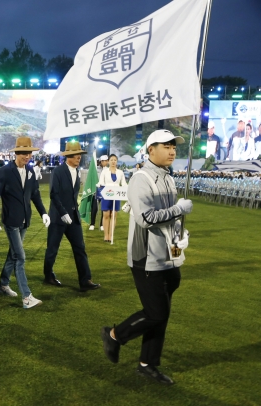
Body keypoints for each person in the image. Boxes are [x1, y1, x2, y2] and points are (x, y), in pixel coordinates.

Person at [100, 129, 192, 385]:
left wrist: (181, 233)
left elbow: (170, 217)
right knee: (157, 314)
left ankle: (147, 363)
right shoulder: (141, 178)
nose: (173, 150)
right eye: (166, 145)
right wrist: (178, 209)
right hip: (146, 255)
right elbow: (145, 217)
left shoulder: (168, 178)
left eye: (174, 146)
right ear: (151, 149)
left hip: (168, 254)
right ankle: (115, 335)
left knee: (162, 313)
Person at [0, 137, 49, 309]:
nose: (27, 156)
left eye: (29, 153)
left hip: (24, 220)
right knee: (20, 257)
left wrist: (43, 213)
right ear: (16, 153)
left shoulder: (30, 171)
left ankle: (3, 284)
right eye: (23, 153)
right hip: (11, 220)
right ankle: (26, 297)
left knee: (13, 255)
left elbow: (35, 195)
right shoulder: (5, 172)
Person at [43, 141, 101, 291]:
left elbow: (72, 196)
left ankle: (85, 279)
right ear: (68, 156)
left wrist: (75, 212)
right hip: (58, 217)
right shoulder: (58, 171)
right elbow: (53, 194)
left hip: (73, 217)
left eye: (80, 155)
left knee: (80, 248)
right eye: (76, 155)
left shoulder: (77, 171)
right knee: (52, 249)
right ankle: (48, 275)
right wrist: (63, 213)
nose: (79, 158)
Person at [99, 154, 126, 242]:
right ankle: (106, 235)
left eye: (115, 160)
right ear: (108, 161)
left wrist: (128, 188)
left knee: (113, 215)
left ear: (117, 161)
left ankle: (111, 235)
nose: (113, 161)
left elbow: (124, 184)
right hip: (107, 194)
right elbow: (101, 182)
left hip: (116, 195)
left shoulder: (120, 172)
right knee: (106, 214)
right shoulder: (104, 172)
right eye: (111, 160)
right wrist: (108, 187)